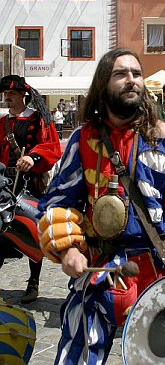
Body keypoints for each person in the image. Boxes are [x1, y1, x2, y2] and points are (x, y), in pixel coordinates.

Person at [37, 48, 165, 364]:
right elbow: (60, 200)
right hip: (102, 266)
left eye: (136, 74)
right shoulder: (84, 139)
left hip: (160, 269)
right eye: (120, 74)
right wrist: (68, 247)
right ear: (103, 85)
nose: (131, 80)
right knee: (77, 354)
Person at [0, 75, 61, 303]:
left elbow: (52, 147)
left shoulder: (38, 119)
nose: (8, 97)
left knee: (32, 230)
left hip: (30, 184)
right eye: (6, 94)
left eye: (13, 93)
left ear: (23, 95)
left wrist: (34, 158)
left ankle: (33, 282)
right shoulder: (2, 122)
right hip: (4, 184)